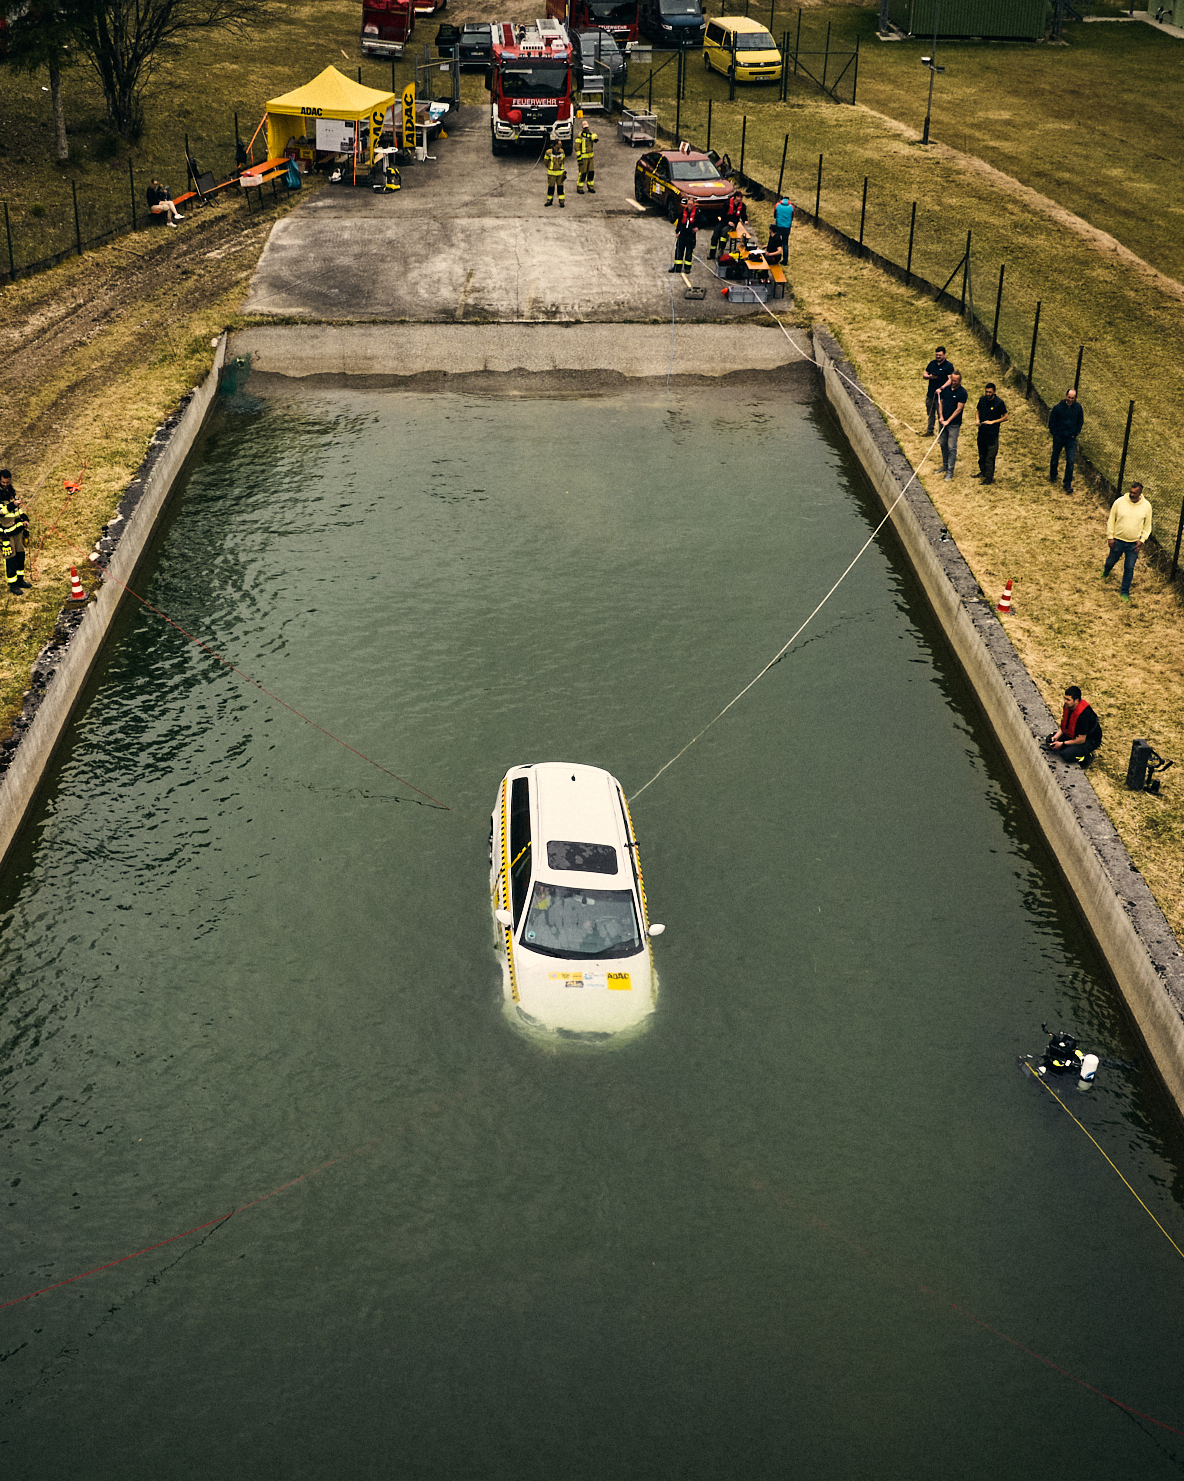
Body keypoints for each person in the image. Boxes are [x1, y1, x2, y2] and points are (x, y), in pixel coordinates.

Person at [1103, 481, 1153, 601]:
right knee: (1111, 560)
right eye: (1130, 491)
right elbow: (1111, 520)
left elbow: (1147, 526)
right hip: (1118, 541)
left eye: (1134, 493)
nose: (1131, 494)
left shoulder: (1146, 506)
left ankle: (1125, 591)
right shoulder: (1119, 502)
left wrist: (1142, 540)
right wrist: (1110, 537)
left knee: (1129, 568)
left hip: (1133, 545)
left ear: (1140, 493)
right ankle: (1106, 570)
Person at [1045, 685, 1103, 766]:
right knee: (1049, 740)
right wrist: (1056, 737)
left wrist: (1063, 744)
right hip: (1074, 734)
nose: (1065, 701)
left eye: (1068, 700)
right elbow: (1064, 726)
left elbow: (1081, 739)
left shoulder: (1083, 716)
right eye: (1065, 698)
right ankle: (1067, 746)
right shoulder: (1068, 706)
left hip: (1088, 740)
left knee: (1066, 755)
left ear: (1076, 701)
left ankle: (1086, 756)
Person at [1048, 387, 1083, 492]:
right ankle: (1053, 475)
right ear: (1065, 396)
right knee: (1055, 457)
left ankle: (1067, 483)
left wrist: (1074, 434)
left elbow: (1080, 422)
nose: (1070, 400)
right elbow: (1052, 422)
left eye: (1073, 398)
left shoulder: (1078, 408)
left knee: (1070, 461)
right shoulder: (1058, 408)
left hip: (1070, 439)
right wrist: (1055, 434)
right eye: (1069, 397)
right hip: (1059, 437)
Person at [1, 471, 31, 595]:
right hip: (5, 533)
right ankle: (12, 584)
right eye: (3, 482)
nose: (6, 484)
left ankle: (20, 580)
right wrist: (12, 505)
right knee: (10, 558)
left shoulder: (12, 491)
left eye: (8, 482)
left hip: (17, 529)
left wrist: (24, 519)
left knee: (20, 555)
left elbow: (18, 510)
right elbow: (2, 511)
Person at [973, 382, 1008, 484]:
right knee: (982, 455)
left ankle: (989, 477)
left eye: (990, 392)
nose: (988, 394)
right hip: (982, 432)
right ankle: (983, 472)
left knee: (990, 457)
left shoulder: (999, 403)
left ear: (994, 392)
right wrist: (977, 420)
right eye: (986, 392)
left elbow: (1006, 417)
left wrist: (993, 422)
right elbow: (977, 411)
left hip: (992, 434)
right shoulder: (982, 400)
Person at [937, 370, 967, 479]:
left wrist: (948, 421)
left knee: (951, 447)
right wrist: (941, 416)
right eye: (952, 380)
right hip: (943, 421)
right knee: (942, 443)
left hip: (954, 424)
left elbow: (959, 409)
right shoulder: (946, 389)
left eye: (955, 381)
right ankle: (944, 465)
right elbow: (941, 402)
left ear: (959, 381)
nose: (953, 382)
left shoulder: (962, 393)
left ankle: (950, 470)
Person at [921, 346, 950, 437]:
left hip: (941, 396)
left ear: (944, 355)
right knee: (930, 413)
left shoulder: (948, 366)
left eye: (940, 355)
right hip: (931, 394)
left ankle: (942, 435)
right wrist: (929, 376)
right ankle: (930, 431)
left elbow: (950, 380)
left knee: (941, 414)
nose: (938, 356)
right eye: (937, 355)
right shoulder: (932, 364)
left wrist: (942, 388)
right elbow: (924, 373)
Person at [709, 191, 746, 261]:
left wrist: (745, 220)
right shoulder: (727, 204)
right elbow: (722, 214)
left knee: (724, 233)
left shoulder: (742, 206)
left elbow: (743, 215)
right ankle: (712, 253)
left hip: (733, 224)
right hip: (724, 221)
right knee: (715, 234)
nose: (741, 199)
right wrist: (728, 221)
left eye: (741, 197)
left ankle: (721, 250)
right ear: (736, 197)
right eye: (739, 197)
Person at [671, 196, 698, 274]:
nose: (689, 205)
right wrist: (677, 232)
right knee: (679, 250)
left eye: (691, 204)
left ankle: (687, 268)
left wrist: (698, 227)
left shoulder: (697, 213)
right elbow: (679, 222)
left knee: (689, 252)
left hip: (690, 235)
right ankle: (677, 267)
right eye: (688, 204)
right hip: (682, 234)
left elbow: (704, 221)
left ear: (693, 204)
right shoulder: (683, 212)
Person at [575, 122, 598, 194]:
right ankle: (580, 188)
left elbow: (595, 138)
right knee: (582, 173)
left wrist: (594, 137)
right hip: (583, 157)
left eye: (587, 127)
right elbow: (577, 147)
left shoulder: (591, 134)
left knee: (591, 173)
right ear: (583, 128)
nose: (586, 129)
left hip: (590, 157)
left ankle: (590, 187)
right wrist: (579, 158)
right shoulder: (580, 136)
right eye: (585, 128)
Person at [543, 138, 566, 208]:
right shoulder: (548, 152)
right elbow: (546, 162)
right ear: (556, 145)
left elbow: (563, 161)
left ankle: (561, 202)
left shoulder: (562, 151)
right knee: (551, 188)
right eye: (559, 143)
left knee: (560, 188)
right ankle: (549, 201)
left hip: (560, 173)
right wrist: (550, 167)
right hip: (552, 173)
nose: (561, 145)